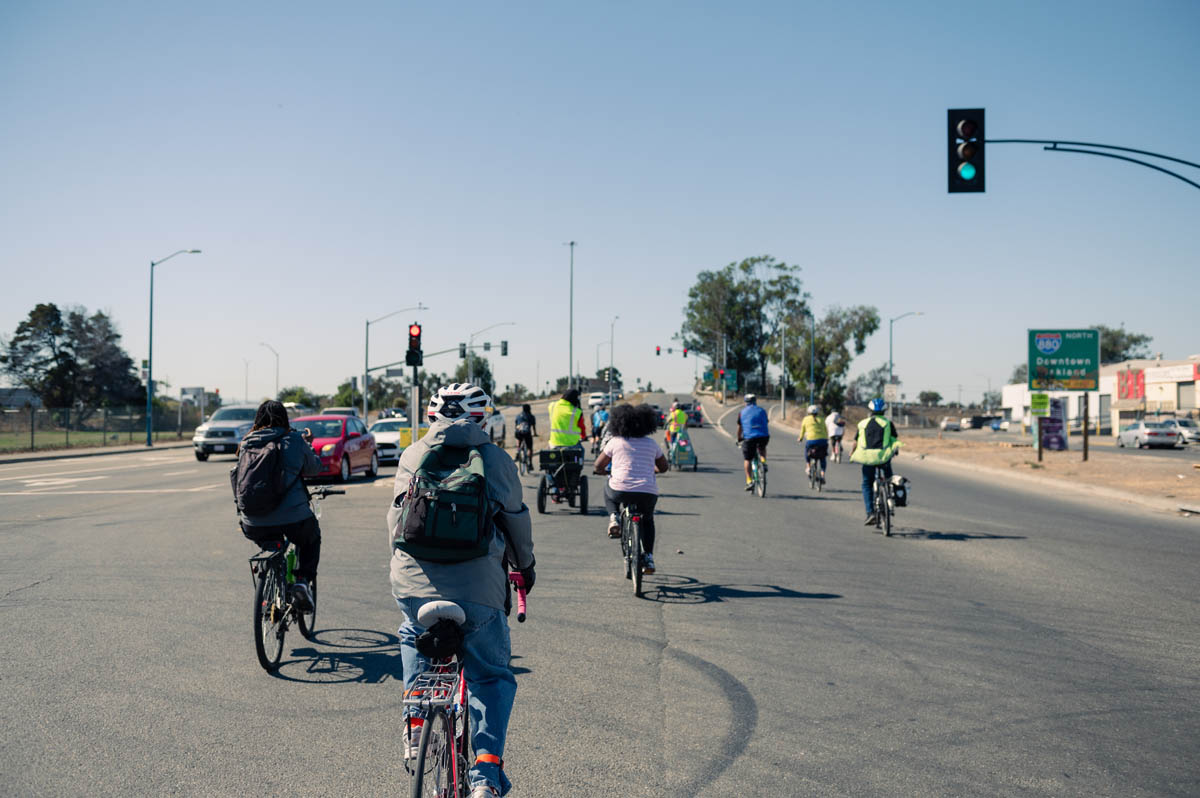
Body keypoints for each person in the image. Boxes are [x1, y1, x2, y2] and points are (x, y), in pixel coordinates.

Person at [386, 383, 535, 798]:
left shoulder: (412, 455)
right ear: (481, 418)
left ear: (432, 417)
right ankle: (485, 775)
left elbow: (395, 525)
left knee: (411, 630)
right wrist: (526, 567)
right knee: (490, 676)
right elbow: (516, 522)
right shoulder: (496, 459)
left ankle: (417, 723)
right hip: (478, 592)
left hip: (413, 585)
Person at [237, 400, 323, 610]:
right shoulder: (294, 439)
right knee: (311, 539)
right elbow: (314, 469)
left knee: (271, 540)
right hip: (294, 519)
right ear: (285, 419)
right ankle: (302, 581)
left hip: (252, 521)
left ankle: (272, 578)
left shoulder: (246, 443)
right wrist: (308, 445)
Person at [593, 404, 669, 574]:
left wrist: (605, 471)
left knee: (608, 488)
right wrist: (653, 469)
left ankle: (614, 517)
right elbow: (663, 467)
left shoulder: (615, 441)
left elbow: (598, 466)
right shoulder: (651, 444)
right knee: (648, 520)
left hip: (620, 489)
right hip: (647, 492)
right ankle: (648, 557)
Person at [850, 398, 902, 525]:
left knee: (867, 484)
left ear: (870, 411)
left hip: (867, 458)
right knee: (889, 478)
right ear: (884, 411)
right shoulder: (888, 423)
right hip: (883, 457)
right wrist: (895, 451)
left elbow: (856, 442)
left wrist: (852, 453)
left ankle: (870, 513)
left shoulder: (862, 423)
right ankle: (889, 497)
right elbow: (894, 440)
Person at [736, 394, 770, 490]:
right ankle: (763, 462)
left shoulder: (742, 412)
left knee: (747, 459)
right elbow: (766, 422)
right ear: (755, 401)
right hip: (764, 436)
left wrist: (739, 438)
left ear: (745, 402)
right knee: (762, 448)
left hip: (749, 438)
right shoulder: (762, 410)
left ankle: (749, 481)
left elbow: (740, 427)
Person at [796, 404, 829, 483]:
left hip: (811, 441)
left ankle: (808, 466)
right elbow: (825, 430)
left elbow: (803, 431)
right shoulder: (822, 419)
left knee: (807, 453)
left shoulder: (806, 419)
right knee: (822, 457)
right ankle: (822, 474)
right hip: (823, 441)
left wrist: (800, 438)